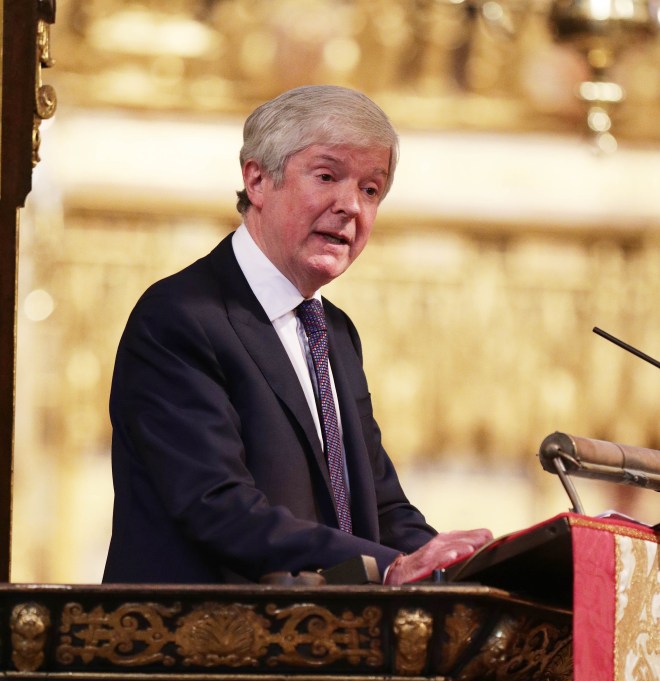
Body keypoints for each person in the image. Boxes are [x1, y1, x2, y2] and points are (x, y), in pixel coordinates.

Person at [103, 85, 490, 585]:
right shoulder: (179, 317)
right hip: (199, 646)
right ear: (258, 179)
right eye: (327, 176)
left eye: (370, 190)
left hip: (322, 644)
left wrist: (461, 568)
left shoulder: (334, 331)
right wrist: (390, 566)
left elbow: (380, 502)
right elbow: (218, 506)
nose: (350, 206)